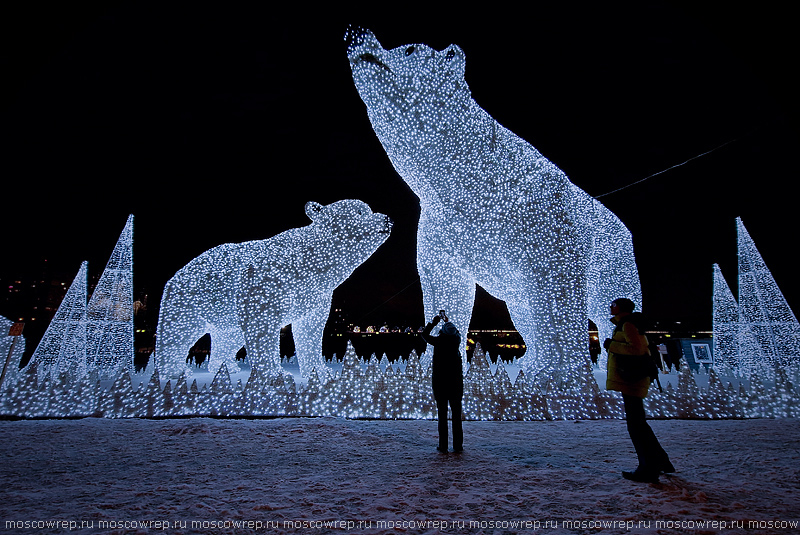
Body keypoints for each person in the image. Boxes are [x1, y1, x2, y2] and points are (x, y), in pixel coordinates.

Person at [604, 298, 674, 483]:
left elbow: (638, 349)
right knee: (639, 424)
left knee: (636, 426)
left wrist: (611, 345)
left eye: (613, 305)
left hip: (632, 379)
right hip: (631, 378)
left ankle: (648, 469)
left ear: (622, 308)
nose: (611, 307)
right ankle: (661, 461)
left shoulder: (628, 325)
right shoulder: (626, 324)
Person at [421, 310, 463, 453]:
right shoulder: (457, 341)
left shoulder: (438, 342)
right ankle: (458, 446)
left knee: (442, 416)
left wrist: (436, 321)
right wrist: (446, 320)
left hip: (440, 385)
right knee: (456, 417)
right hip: (456, 385)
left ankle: (443, 446)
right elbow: (454, 332)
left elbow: (424, 334)